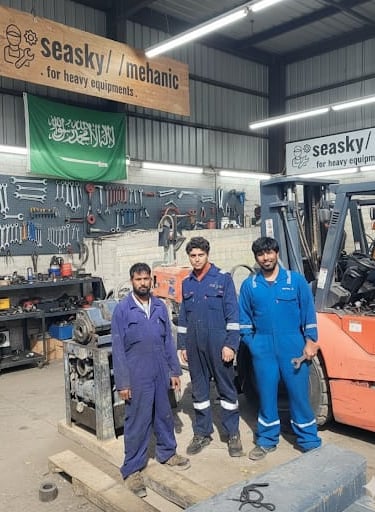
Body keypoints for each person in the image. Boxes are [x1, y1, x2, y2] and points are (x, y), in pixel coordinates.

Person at [239, 236, 322, 461]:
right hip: (263, 347)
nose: (266, 258)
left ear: (276, 253)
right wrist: (252, 344)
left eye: (269, 253)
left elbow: (309, 314)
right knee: (266, 395)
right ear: (256, 258)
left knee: (299, 395)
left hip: (293, 345)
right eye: (260, 254)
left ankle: (309, 440)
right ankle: (267, 440)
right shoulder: (250, 285)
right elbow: (244, 319)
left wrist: (311, 341)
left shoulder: (295, 281)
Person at [111, 262, 190, 498]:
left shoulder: (159, 306)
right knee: (137, 420)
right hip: (136, 373)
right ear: (131, 281)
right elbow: (118, 349)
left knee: (164, 414)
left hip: (159, 370)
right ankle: (132, 469)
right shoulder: (123, 310)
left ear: (152, 281)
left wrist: (174, 371)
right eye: (138, 279)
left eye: (146, 279)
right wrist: (123, 383)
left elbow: (168, 341)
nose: (143, 283)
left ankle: (167, 452)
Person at [177, 236, 243, 457]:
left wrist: (231, 345)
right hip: (195, 346)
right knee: (199, 390)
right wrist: (182, 345)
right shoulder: (187, 283)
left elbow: (233, 315)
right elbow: (183, 317)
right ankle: (202, 433)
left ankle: (232, 433)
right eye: (192, 256)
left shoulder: (222, 279)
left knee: (226, 389)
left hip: (218, 345)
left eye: (200, 255)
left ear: (207, 255)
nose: (196, 260)